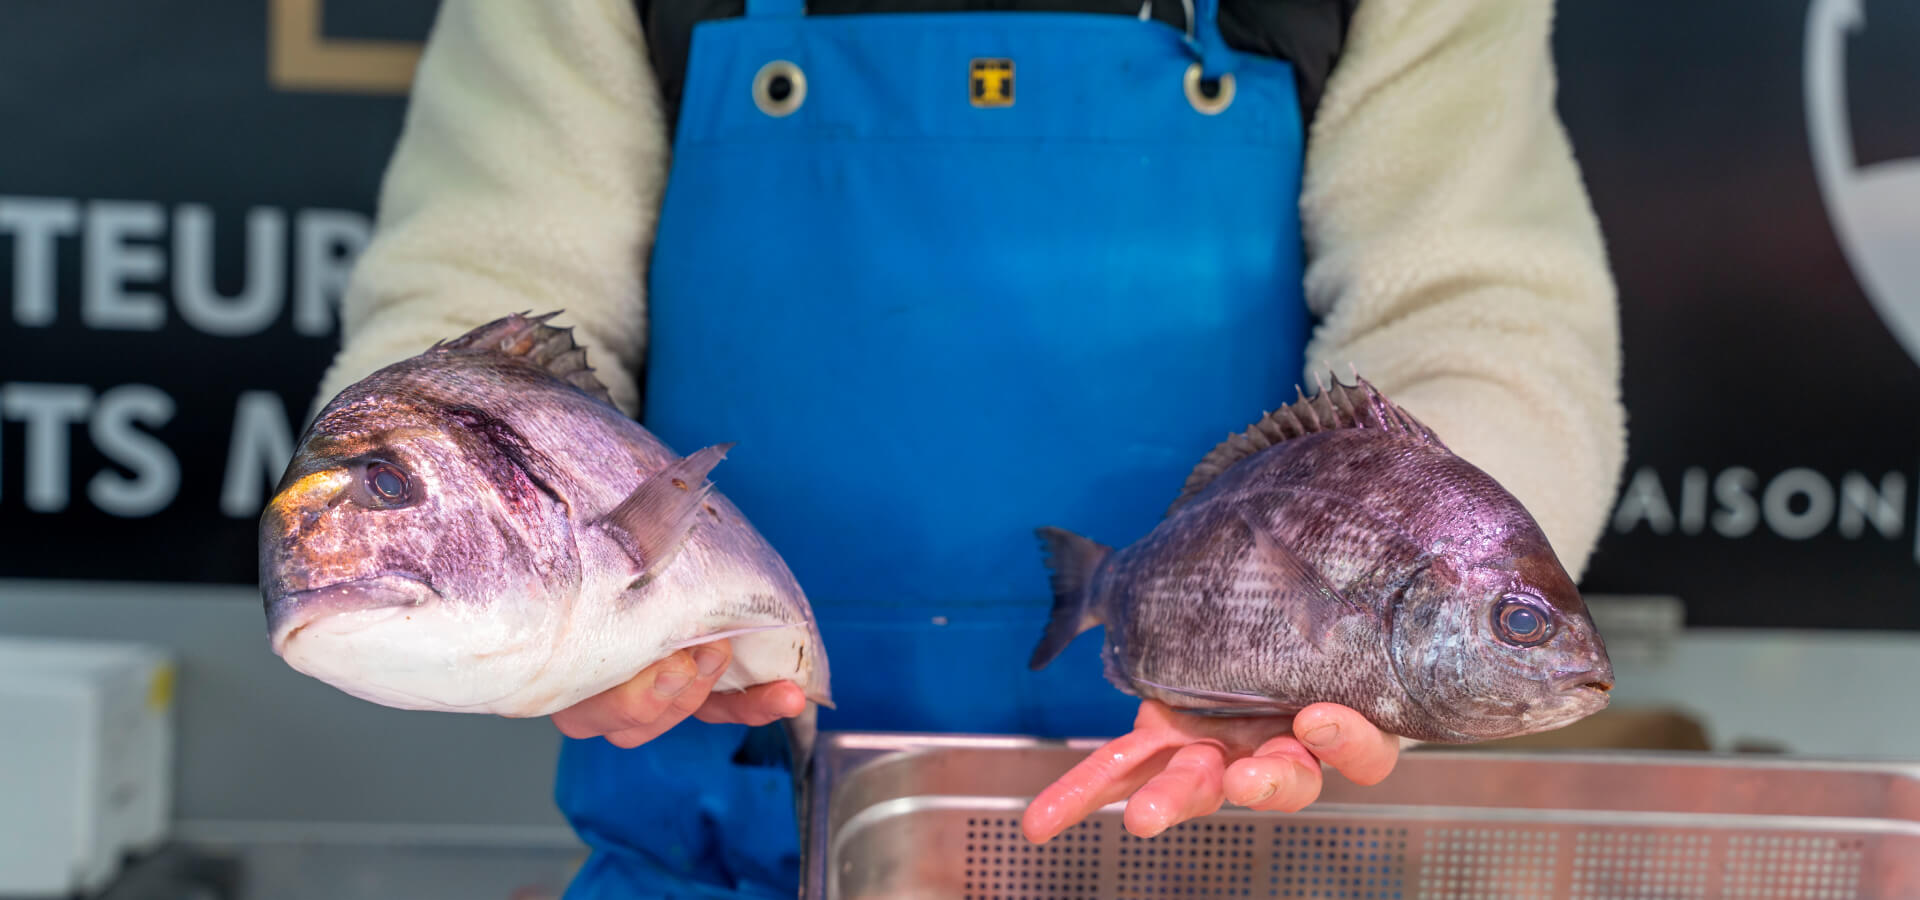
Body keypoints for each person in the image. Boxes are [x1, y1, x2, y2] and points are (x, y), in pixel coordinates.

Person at [311, 0, 1625, 896]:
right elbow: (491, 305)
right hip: (723, 841)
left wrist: (1421, 574)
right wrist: (498, 561)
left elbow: (1482, 308)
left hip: (1235, 833)